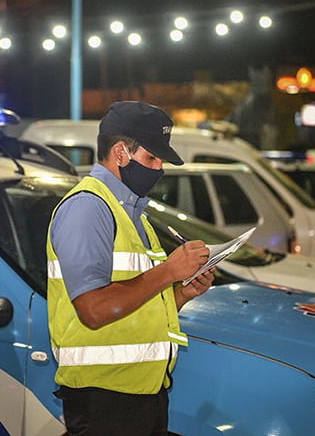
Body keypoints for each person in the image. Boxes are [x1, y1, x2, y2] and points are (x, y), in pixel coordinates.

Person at [46, 101, 216, 435]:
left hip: (141, 397)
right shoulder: (88, 209)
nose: (159, 169)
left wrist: (180, 294)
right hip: (105, 403)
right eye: (152, 158)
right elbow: (94, 309)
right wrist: (169, 271)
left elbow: (134, 302)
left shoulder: (133, 213)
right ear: (120, 152)